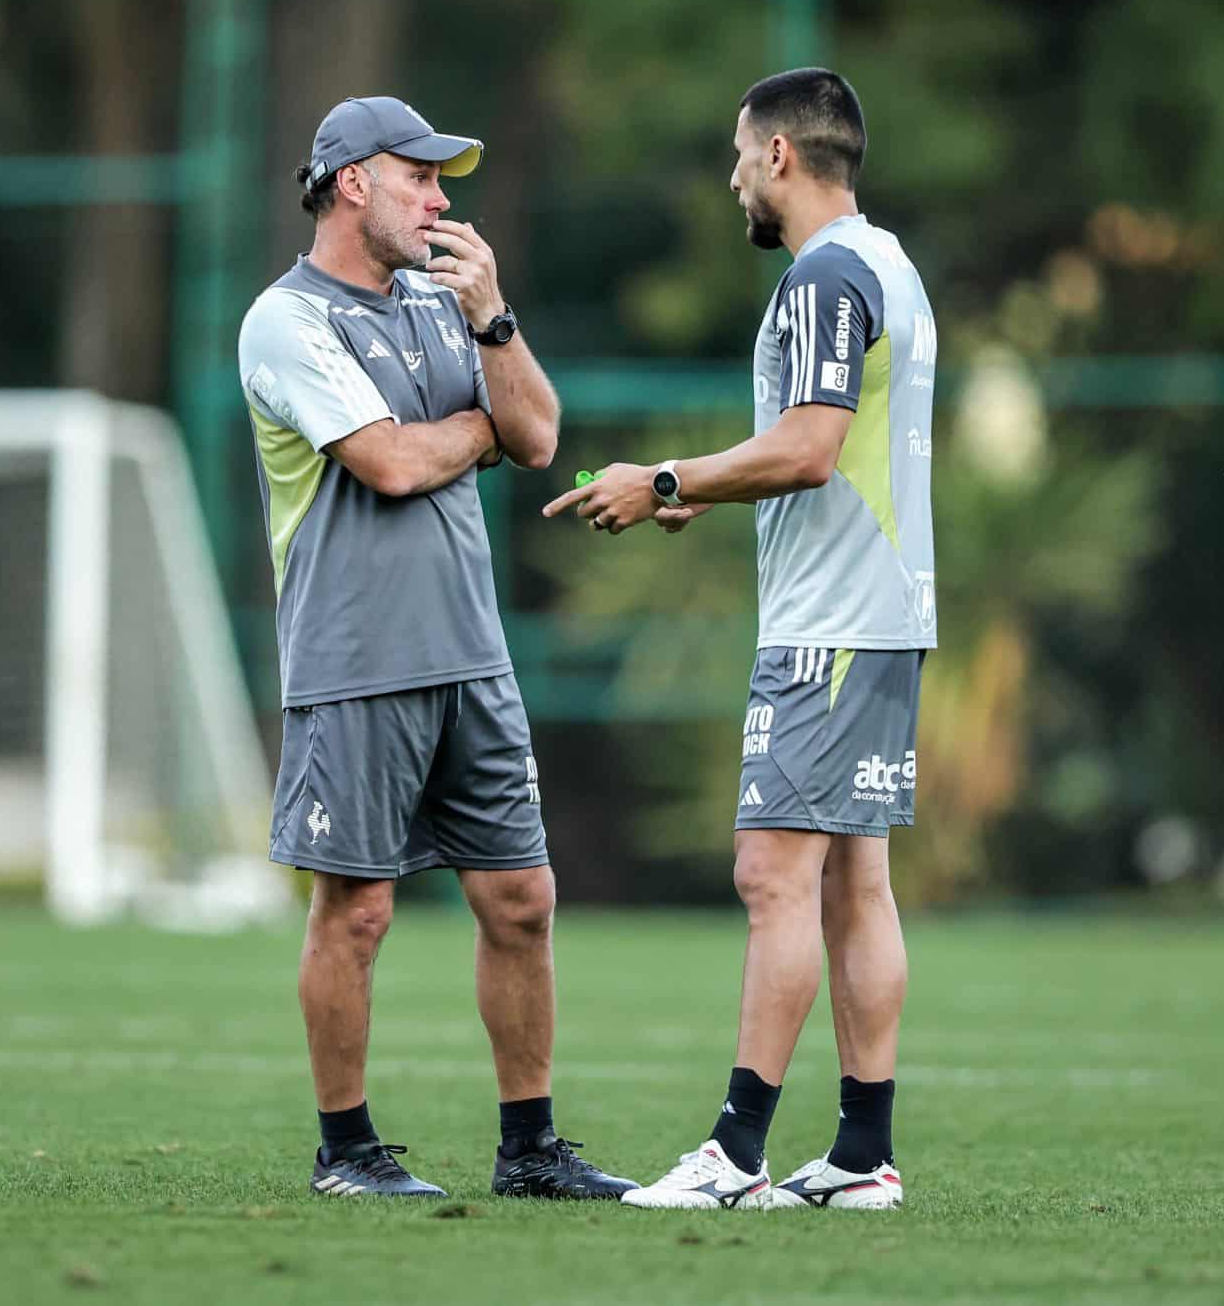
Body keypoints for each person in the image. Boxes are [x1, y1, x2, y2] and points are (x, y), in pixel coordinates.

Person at [544, 68, 936, 1211]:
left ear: (778, 155)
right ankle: (860, 1158)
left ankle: (734, 1155)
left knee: (771, 875)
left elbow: (810, 447)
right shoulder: (889, 263)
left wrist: (663, 475)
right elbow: (826, 452)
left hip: (829, 628)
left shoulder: (821, 275)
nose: (729, 179)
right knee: (853, 884)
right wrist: (705, 494)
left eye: (735, 154)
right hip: (883, 616)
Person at [238, 96, 636, 1202]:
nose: (438, 199)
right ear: (351, 182)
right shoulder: (285, 320)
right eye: (417, 176)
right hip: (354, 661)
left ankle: (530, 1151)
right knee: (357, 911)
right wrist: (477, 431)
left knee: (522, 901)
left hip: (472, 655)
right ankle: (346, 1151)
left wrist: (494, 320)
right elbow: (392, 464)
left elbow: (538, 435)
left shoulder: (445, 301)